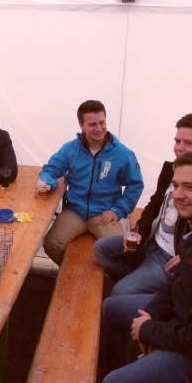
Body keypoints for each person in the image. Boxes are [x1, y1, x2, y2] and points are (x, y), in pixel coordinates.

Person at [98, 150, 192, 383]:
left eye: (190, 187)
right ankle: (121, 370)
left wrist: (149, 329)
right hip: (180, 320)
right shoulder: (190, 229)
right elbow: (174, 285)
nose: (178, 195)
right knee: (112, 307)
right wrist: (151, 314)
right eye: (176, 186)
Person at [94, 112, 192, 295]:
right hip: (152, 241)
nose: (179, 148)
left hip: (169, 256)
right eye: (177, 141)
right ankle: (141, 286)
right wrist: (140, 231)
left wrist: (191, 257)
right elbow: (154, 203)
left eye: (188, 143)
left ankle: (145, 292)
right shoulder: (171, 168)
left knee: (119, 292)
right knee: (101, 249)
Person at [40, 100, 144, 265]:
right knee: (51, 244)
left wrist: (117, 210)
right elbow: (50, 169)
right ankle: (72, 272)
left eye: (102, 123)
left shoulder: (123, 154)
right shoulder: (70, 149)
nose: (99, 128)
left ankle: (105, 277)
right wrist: (47, 182)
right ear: (81, 125)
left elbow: (135, 185)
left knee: (121, 251)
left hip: (105, 214)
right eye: (92, 124)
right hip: (75, 211)